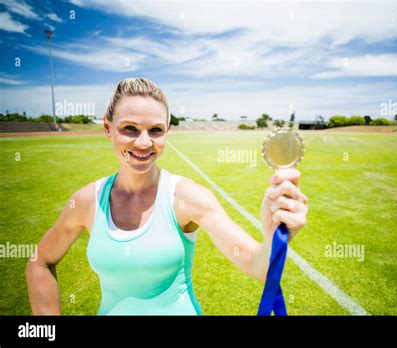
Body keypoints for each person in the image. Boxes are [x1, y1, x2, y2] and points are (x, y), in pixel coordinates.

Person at [26, 77, 308, 315]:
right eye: (130, 128)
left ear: (167, 132)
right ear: (107, 127)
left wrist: (274, 235)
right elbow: (40, 261)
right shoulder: (86, 201)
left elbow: (256, 264)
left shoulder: (187, 197)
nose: (144, 142)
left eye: (156, 130)